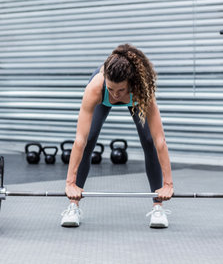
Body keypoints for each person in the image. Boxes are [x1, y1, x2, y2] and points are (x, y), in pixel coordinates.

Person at [61, 43, 174, 228]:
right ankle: (73, 205)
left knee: (148, 141)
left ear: (131, 84)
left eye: (120, 91)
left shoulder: (141, 90)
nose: (114, 96)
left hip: (135, 96)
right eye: (111, 89)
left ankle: (158, 207)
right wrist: (69, 183)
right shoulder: (96, 87)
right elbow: (79, 140)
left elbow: (160, 140)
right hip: (101, 90)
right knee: (89, 139)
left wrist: (168, 184)